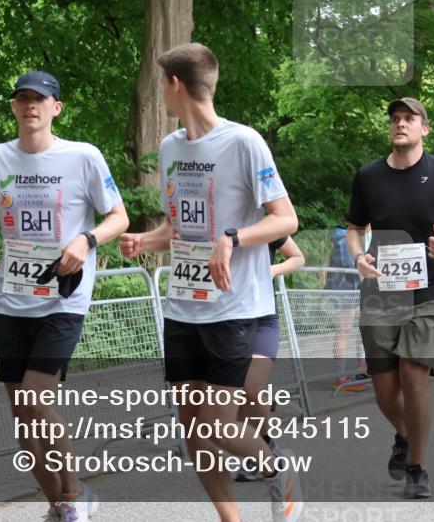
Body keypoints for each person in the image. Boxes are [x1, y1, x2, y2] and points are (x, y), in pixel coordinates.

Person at [117, 43, 303, 522]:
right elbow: (178, 226)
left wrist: (234, 238)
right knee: (195, 432)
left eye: (162, 84)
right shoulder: (170, 147)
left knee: (217, 427)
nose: (162, 93)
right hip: (183, 309)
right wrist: (146, 240)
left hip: (234, 312)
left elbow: (285, 220)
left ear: (175, 85)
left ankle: (277, 469)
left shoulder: (244, 142)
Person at [0, 71, 129, 522]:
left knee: (36, 398)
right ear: (13, 106)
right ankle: (58, 503)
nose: (30, 105)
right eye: (23, 98)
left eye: (40, 99)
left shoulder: (82, 156)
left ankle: (73, 495)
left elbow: (119, 218)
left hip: (62, 297)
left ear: (56, 108)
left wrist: (86, 241)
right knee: (20, 414)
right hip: (12, 299)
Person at [346, 97, 434, 499]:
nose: (401, 124)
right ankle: (403, 434)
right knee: (384, 387)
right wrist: (359, 256)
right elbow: (354, 227)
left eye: (410, 119)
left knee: (413, 374)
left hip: (431, 289)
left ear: (425, 128)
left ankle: (418, 467)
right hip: (383, 291)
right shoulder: (368, 176)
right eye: (396, 119)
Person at [234, 235, 305, 482]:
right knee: (238, 392)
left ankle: (265, 444)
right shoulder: (217, 223)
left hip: (264, 319)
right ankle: (256, 453)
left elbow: (298, 257)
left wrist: (274, 269)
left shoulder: (268, 224)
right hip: (227, 321)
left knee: (250, 386)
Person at [327, 226, 366, 393]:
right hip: (345, 290)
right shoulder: (344, 239)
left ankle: (363, 365)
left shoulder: (359, 236)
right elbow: (349, 266)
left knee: (365, 327)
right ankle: (340, 377)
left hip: (357, 288)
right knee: (344, 331)